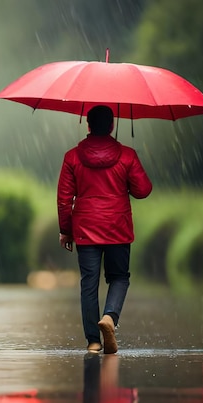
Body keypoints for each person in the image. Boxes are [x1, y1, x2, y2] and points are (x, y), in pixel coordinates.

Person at [57, 105, 152, 354]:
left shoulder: (72, 157)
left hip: (86, 230)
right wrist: (126, 179)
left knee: (89, 282)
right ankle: (109, 317)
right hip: (117, 228)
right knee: (119, 277)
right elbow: (143, 190)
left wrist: (66, 230)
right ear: (111, 126)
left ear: (88, 125)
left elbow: (64, 199)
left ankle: (93, 342)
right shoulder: (127, 156)